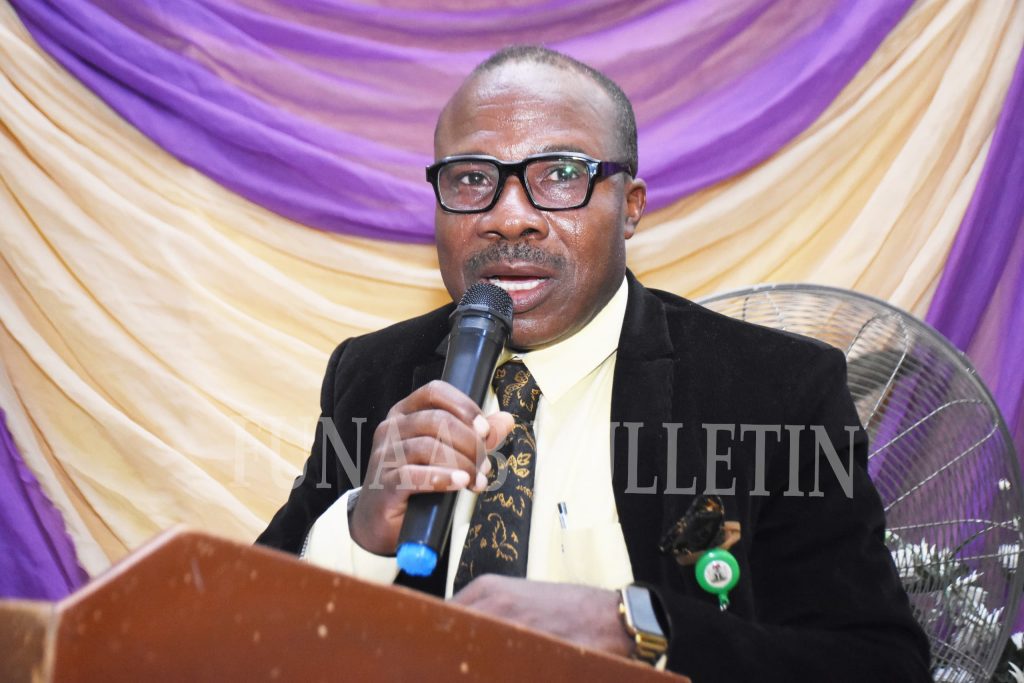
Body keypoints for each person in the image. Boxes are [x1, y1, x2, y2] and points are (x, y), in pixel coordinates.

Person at [257, 46, 931, 681]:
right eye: (472, 179)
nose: (510, 218)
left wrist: (637, 626)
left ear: (630, 207)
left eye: (560, 175)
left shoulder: (775, 389)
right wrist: (360, 532)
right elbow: (242, 627)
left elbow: (878, 664)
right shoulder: (373, 375)